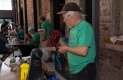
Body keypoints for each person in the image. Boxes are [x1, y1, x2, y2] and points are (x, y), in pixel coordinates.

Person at [57, 2, 96, 80]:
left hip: (84, 70)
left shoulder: (84, 27)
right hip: (75, 70)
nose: (64, 20)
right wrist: (59, 40)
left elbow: (83, 51)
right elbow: (73, 47)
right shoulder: (73, 28)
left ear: (74, 15)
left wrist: (66, 48)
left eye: (65, 17)